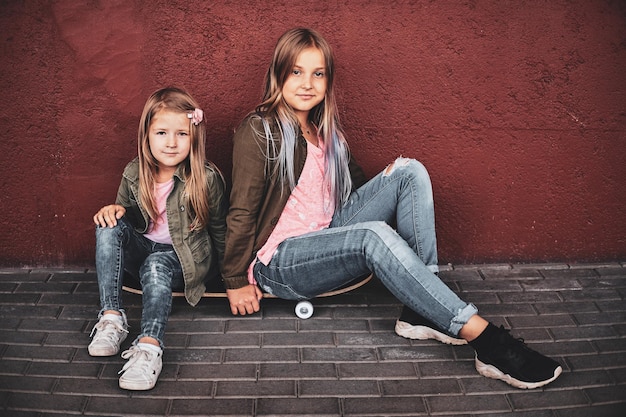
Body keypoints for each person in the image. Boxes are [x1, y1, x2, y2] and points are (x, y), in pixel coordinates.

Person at [222, 28, 562, 390]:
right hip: (281, 261)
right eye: (296, 71)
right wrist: (233, 281)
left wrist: (388, 180)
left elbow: (353, 190)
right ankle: (486, 339)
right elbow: (241, 210)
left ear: (328, 80)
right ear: (278, 75)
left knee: (408, 170)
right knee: (373, 235)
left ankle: (422, 310)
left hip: (328, 235)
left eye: (317, 73)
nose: (307, 83)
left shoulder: (325, 132)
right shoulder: (260, 129)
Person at [88, 87, 228, 390]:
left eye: (181, 134)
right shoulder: (133, 173)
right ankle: (112, 317)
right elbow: (124, 220)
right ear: (147, 136)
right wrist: (114, 210)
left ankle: (149, 347)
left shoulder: (206, 178)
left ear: (194, 138)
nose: (171, 142)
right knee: (108, 224)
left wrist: (232, 277)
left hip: (182, 259)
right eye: (162, 133)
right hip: (143, 249)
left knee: (156, 263)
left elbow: (219, 229)